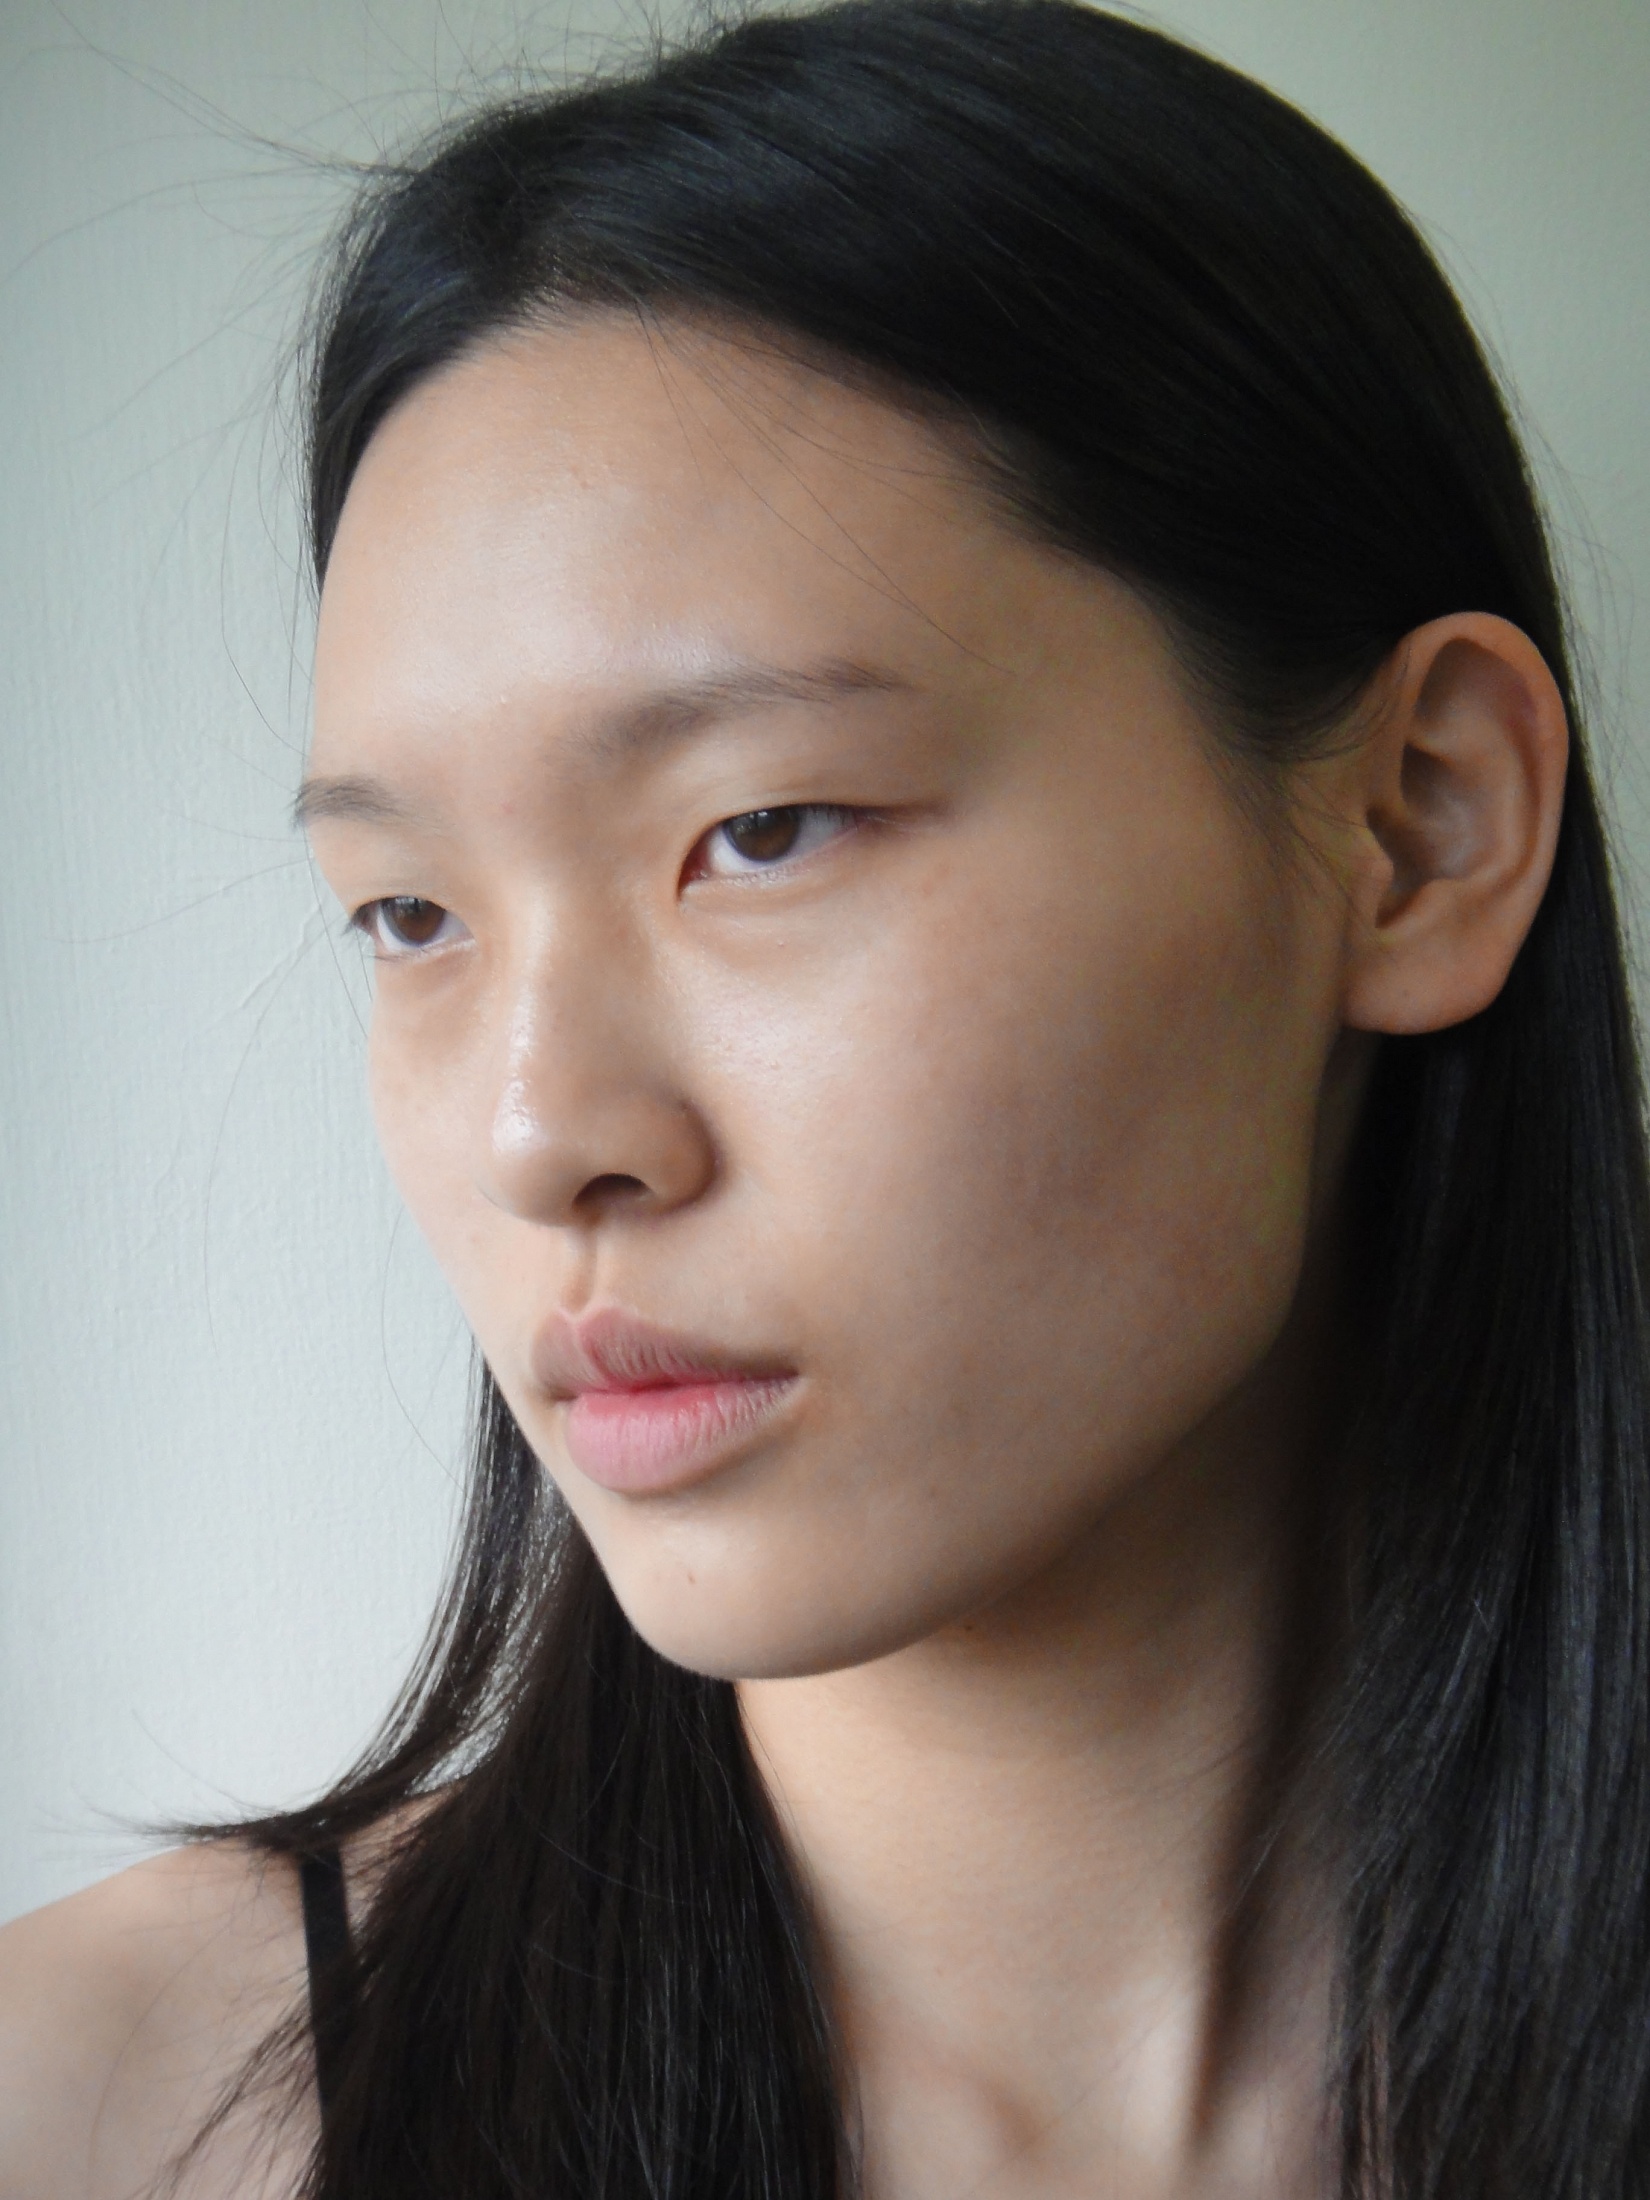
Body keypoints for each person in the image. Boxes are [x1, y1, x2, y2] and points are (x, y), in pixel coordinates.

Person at [3, 1, 1647, 2192]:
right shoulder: (100, 2109)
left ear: (1419, 826)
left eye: (761, 831)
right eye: (408, 912)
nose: (538, 1134)